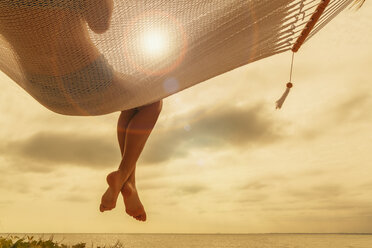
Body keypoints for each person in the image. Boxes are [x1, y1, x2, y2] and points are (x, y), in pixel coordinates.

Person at [0, 0, 162, 221]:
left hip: (39, 85)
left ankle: (129, 183)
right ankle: (124, 176)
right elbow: (100, 24)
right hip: (84, 76)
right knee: (151, 99)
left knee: (132, 104)